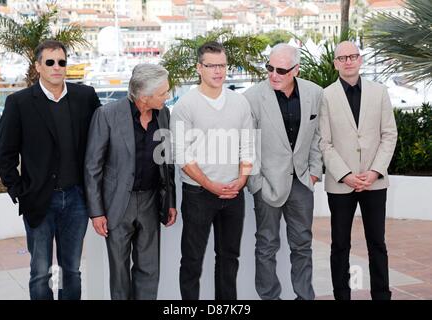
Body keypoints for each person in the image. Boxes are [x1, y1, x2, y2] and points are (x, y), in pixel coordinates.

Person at [0, 40, 101, 300]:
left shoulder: (85, 97)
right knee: (40, 272)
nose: (57, 67)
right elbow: (5, 153)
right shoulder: (18, 103)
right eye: (50, 62)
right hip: (39, 199)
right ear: (38, 66)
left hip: (77, 199)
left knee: (71, 271)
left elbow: (100, 142)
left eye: (62, 62)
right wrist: (20, 191)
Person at [84, 63, 177, 300]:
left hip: (150, 200)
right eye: (163, 93)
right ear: (144, 97)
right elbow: (92, 167)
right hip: (117, 204)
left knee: (149, 269)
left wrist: (170, 202)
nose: (168, 96)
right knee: (119, 272)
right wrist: (96, 213)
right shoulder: (107, 115)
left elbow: (167, 162)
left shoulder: (164, 114)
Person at [170, 41, 254, 300]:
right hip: (198, 194)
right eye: (211, 66)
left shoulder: (239, 102)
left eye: (222, 65)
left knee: (229, 257)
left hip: (233, 193)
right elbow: (181, 155)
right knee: (192, 259)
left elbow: (248, 145)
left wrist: (241, 180)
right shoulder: (186, 105)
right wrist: (210, 185)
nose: (218, 71)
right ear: (199, 68)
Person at [244, 43, 323, 300]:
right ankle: (269, 297)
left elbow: (318, 136)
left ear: (296, 70)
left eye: (281, 70)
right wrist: (255, 182)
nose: (273, 75)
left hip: (301, 182)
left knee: (303, 245)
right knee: (266, 245)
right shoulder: (253, 98)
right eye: (269, 68)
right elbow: (247, 145)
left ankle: (304, 296)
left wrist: (314, 171)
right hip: (267, 183)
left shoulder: (315, 93)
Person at [319, 41, 398, 300]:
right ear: (336, 64)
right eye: (342, 58)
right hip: (341, 183)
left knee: (377, 243)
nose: (348, 61)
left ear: (360, 59)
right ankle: (342, 295)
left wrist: (375, 171)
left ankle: (381, 295)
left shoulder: (380, 92)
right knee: (340, 244)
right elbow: (324, 142)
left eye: (353, 56)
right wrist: (346, 175)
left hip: (374, 182)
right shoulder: (326, 96)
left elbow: (389, 135)